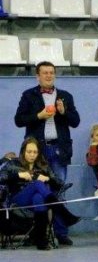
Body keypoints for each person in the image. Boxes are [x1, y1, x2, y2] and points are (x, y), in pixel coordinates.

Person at [14, 61, 80, 245]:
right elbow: (18, 120)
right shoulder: (28, 95)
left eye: (51, 72)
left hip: (59, 150)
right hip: (36, 152)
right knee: (37, 190)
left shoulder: (65, 96)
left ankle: (61, 233)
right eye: (45, 73)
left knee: (59, 189)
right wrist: (39, 116)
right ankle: (39, 233)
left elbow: (75, 122)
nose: (49, 75)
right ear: (38, 76)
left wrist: (64, 112)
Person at [0, 137, 78, 250]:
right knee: (37, 184)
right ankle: (61, 211)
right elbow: (1, 177)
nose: (32, 155)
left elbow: (59, 183)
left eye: (35, 152)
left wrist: (48, 179)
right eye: (29, 152)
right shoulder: (13, 163)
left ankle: (41, 240)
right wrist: (18, 175)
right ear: (23, 151)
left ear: (39, 153)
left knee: (38, 197)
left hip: (37, 203)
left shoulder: (43, 166)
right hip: (18, 200)